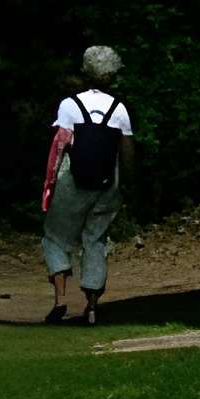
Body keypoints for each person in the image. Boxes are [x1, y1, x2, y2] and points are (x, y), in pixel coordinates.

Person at [40, 46, 133, 325]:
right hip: (106, 185)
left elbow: (58, 148)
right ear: (113, 75)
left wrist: (48, 186)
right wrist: (126, 187)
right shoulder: (119, 109)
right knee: (95, 240)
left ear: (84, 71)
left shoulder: (69, 105)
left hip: (72, 182)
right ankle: (91, 307)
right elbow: (127, 153)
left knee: (55, 237)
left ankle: (60, 300)